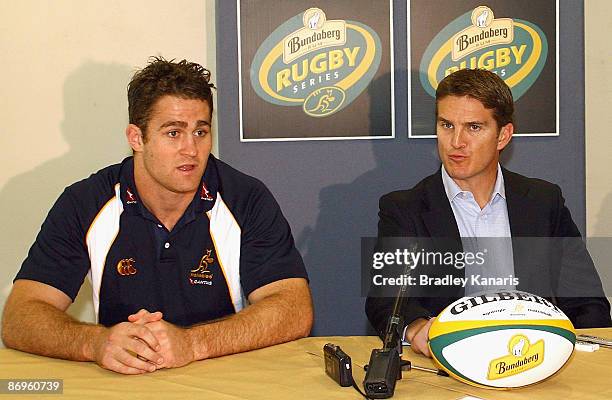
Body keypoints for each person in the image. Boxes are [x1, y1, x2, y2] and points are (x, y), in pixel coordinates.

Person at [1, 57, 313, 374]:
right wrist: (95, 343)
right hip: (122, 382)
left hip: (222, 379)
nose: (191, 149)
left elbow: (294, 309)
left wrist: (193, 344)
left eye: (201, 132)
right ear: (136, 138)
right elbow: (20, 316)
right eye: (173, 133)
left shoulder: (245, 198)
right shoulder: (85, 202)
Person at [365, 68, 611, 357]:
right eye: (446, 125)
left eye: (473, 127)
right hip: (449, 365)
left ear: (503, 135)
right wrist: (419, 328)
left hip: (535, 360)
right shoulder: (404, 208)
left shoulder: (543, 202)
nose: (456, 142)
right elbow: (385, 302)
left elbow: (587, 302)